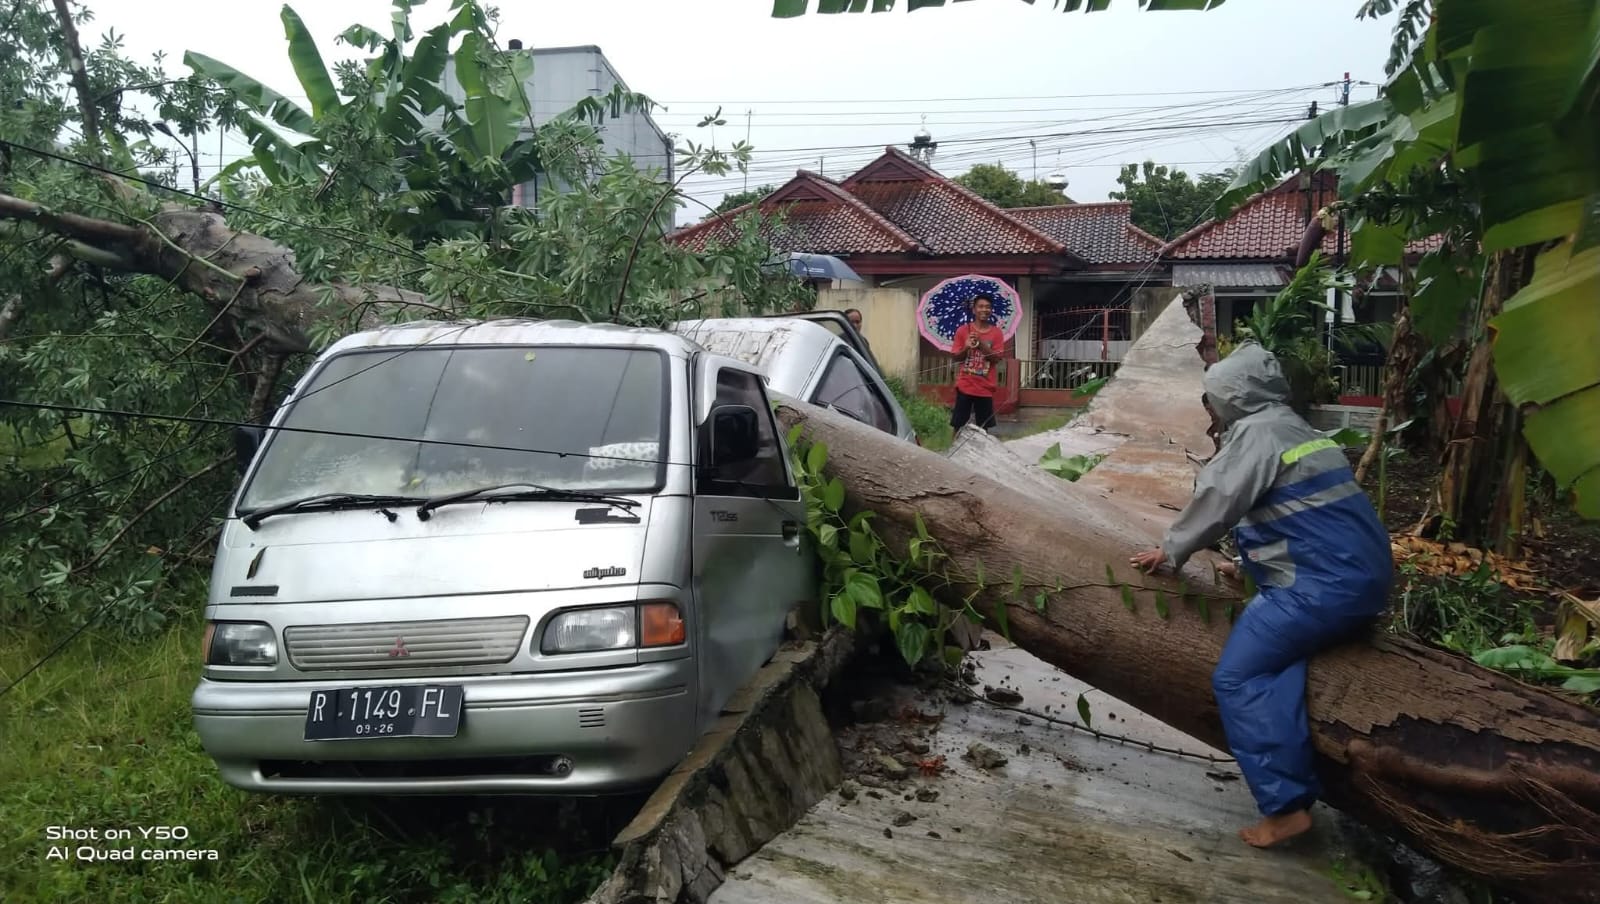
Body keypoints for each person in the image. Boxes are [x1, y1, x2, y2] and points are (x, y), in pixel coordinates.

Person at [1128, 342, 1392, 849]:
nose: (1212, 406)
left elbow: (1221, 499)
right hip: (1362, 584)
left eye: (1214, 397)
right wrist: (1246, 567)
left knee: (1239, 676)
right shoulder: (1296, 427)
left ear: (1233, 395)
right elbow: (1302, 518)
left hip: (1321, 592)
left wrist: (1172, 548)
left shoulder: (1256, 433)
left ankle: (1285, 806)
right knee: (1277, 661)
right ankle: (1293, 777)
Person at [949, 294, 1006, 431]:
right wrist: (967, 347)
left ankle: (982, 452)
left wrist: (980, 344)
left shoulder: (997, 333)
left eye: (988, 307)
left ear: (991, 310)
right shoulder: (963, 331)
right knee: (958, 425)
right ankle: (955, 451)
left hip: (985, 388)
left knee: (983, 428)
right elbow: (956, 357)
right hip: (965, 385)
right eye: (980, 306)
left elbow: (996, 359)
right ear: (974, 310)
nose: (984, 310)